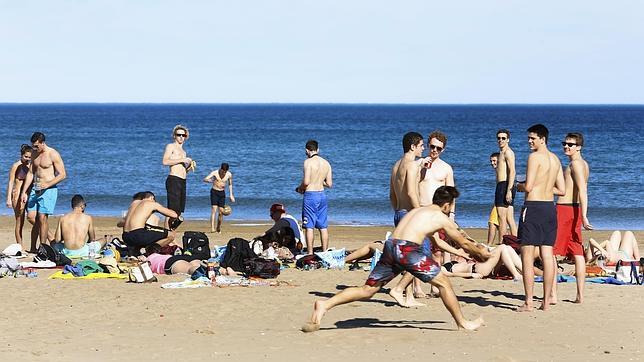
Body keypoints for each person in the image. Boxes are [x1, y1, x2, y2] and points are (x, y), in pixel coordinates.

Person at [302, 186, 489, 333]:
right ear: (447, 205)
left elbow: (437, 241)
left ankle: (324, 305)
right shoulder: (440, 217)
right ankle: (462, 323)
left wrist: (469, 252)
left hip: (391, 246)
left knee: (367, 290)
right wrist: (480, 255)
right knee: (444, 284)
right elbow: (463, 241)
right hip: (407, 249)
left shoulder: (417, 211)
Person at [516, 124, 565, 312]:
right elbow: (562, 190)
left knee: (527, 256)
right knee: (547, 254)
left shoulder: (534, 157)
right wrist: (544, 186)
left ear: (542, 139)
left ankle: (528, 302)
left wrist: (519, 186)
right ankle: (546, 301)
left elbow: (528, 187)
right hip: (549, 207)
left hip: (534, 207)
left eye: (533, 138)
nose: (529, 141)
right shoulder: (555, 159)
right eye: (529, 138)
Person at [552, 132, 592, 304]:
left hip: (566, 210)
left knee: (551, 251)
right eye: (565, 143)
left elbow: (582, 190)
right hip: (573, 210)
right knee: (577, 252)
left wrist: (584, 215)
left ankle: (552, 293)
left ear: (579, 147)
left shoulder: (575, 164)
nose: (566, 146)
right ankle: (579, 295)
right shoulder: (583, 164)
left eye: (570, 144)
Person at [20, 132, 67, 253]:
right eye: (33, 146)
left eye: (36, 146)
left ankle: (42, 248)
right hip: (35, 189)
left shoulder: (53, 154)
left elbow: (62, 175)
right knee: (30, 217)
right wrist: (24, 192)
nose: (34, 148)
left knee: (42, 218)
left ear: (42, 143)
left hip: (48, 190)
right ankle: (36, 246)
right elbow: (30, 173)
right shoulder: (35, 154)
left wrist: (47, 184)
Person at [296, 140, 333, 254]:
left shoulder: (308, 162)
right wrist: (319, 180)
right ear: (318, 149)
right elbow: (329, 184)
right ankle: (325, 252)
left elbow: (306, 182)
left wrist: (299, 188)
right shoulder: (326, 163)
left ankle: (310, 253)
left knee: (309, 226)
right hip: (321, 195)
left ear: (307, 150)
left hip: (311, 195)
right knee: (323, 226)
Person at [122, 191, 178, 256]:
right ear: (152, 197)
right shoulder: (151, 203)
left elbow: (124, 221)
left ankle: (136, 251)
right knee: (171, 235)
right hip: (138, 235)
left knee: (149, 233)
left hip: (126, 236)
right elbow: (174, 215)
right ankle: (148, 252)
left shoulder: (134, 203)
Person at [162, 125, 192, 228]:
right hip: (173, 179)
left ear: (186, 137)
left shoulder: (183, 152)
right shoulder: (171, 146)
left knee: (178, 212)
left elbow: (182, 169)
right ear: (174, 136)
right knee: (171, 210)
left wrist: (188, 167)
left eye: (183, 135)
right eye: (178, 135)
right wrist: (182, 160)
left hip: (182, 181)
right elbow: (165, 161)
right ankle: (166, 234)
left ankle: (172, 235)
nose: (181, 137)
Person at [441, 244, 523, 280]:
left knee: (507, 247)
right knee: (502, 247)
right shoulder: (445, 266)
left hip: (483, 267)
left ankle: (525, 272)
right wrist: (471, 275)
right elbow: (450, 274)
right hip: (476, 270)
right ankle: (516, 275)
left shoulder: (458, 258)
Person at [418, 131, 454, 214]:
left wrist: (452, 214)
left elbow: (451, 194)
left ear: (443, 150)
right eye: (432, 146)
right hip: (421, 209)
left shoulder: (447, 168)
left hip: (439, 212)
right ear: (428, 145)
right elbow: (410, 187)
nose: (435, 150)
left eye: (438, 148)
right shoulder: (418, 164)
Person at [6, 144, 33, 248]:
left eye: (30, 157)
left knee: (31, 218)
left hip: (28, 195)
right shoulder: (16, 165)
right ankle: (20, 246)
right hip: (17, 196)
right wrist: (8, 199)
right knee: (19, 221)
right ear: (21, 155)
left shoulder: (30, 166)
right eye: (26, 156)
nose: (27, 159)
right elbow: (11, 182)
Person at [495, 129, 518, 239]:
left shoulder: (508, 152)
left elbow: (513, 171)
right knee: (509, 218)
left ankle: (502, 243)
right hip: (504, 185)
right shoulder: (501, 153)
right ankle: (516, 243)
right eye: (499, 138)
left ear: (508, 139)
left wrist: (508, 190)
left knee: (501, 217)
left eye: (503, 138)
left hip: (505, 185)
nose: (501, 140)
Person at [203, 163, 235, 233]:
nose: (224, 172)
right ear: (221, 169)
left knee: (221, 212)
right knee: (214, 210)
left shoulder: (229, 174)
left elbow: (230, 184)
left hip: (222, 193)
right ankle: (212, 228)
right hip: (214, 192)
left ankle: (218, 227)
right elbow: (205, 179)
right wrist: (209, 180)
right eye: (223, 171)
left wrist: (231, 195)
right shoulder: (215, 173)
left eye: (225, 171)